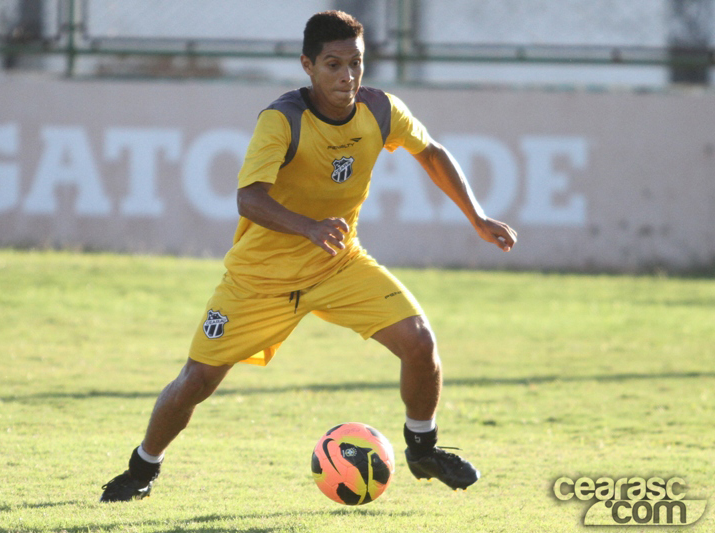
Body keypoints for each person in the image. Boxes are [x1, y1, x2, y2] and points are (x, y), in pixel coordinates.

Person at [100, 10, 517, 502]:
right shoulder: (283, 120)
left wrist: (477, 217)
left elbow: (430, 151)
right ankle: (142, 467)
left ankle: (423, 449)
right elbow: (248, 198)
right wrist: (310, 227)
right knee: (197, 381)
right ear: (308, 65)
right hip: (259, 280)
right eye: (333, 64)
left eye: (356, 63)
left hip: (338, 264)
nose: (347, 76)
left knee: (420, 342)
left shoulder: (381, 110)